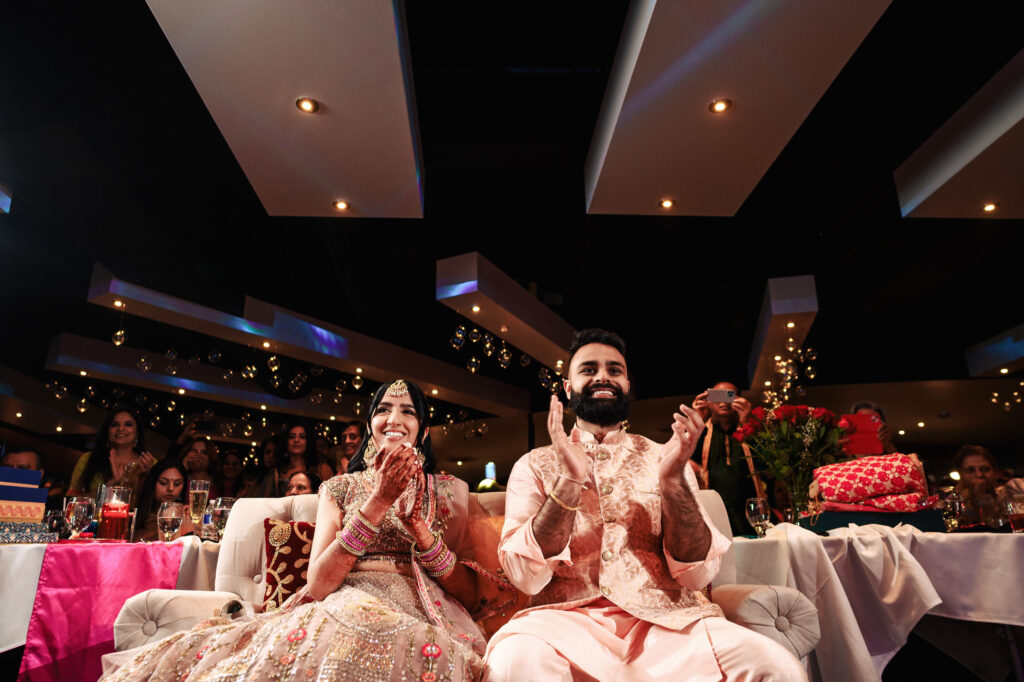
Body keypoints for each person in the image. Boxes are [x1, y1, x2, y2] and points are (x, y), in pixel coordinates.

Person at [102, 379, 512, 681]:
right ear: (371, 424)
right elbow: (318, 582)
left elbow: (469, 592)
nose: (395, 419)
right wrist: (379, 502)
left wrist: (422, 532)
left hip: (424, 607)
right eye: (384, 408)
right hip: (351, 596)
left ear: (422, 431)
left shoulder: (450, 491)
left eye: (409, 411)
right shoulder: (338, 487)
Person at [485, 329, 806, 682]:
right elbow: (525, 578)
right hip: (562, 624)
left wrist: (672, 483)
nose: (603, 376)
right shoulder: (532, 465)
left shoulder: (665, 457)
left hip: (670, 622)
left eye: (614, 370)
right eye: (589, 370)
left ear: (627, 385)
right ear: (567, 388)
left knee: (777, 666)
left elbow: (698, 572)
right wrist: (570, 481)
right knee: (515, 663)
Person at [690, 381, 767, 535]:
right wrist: (696, 421)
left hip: (748, 510)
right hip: (714, 510)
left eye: (729, 396)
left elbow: (765, 464)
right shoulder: (704, 432)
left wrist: (748, 423)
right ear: (709, 402)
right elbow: (687, 459)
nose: (723, 402)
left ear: (739, 400)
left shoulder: (749, 431)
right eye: (718, 397)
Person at [68, 406, 156, 500]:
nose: (121, 428)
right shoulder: (88, 459)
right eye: (114, 424)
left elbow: (154, 505)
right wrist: (110, 485)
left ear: (137, 433)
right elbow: (71, 501)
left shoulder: (149, 463)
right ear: (107, 431)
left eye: (128, 424)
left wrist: (144, 477)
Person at [261, 422, 334, 496]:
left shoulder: (322, 469)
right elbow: (266, 502)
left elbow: (330, 500)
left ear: (308, 441)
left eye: (302, 437)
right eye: (292, 437)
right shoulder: (276, 473)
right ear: (286, 441)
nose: (296, 440)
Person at [954, 445, 1013, 528]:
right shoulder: (953, 503)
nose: (979, 475)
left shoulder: (1007, 496)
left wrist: (982, 497)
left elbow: (1004, 529)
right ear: (961, 474)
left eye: (985, 469)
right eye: (970, 470)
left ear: (995, 472)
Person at [134, 459, 192, 542]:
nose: (171, 488)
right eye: (163, 482)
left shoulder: (186, 515)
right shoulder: (139, 516)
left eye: (177, 483)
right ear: (153, 483)